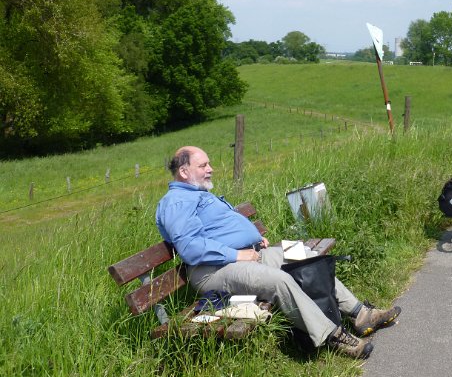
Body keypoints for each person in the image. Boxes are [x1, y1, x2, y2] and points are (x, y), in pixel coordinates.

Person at [155, 146, 400, 359]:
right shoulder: (177, 201)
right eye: (203, 165)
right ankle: (333, 336)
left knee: (303, 254)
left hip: (246, 255)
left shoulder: (198, 194)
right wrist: (237, 254)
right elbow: (190, 247)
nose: (211, 168)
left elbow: (215, 230)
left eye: (209, 163)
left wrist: (251, 239)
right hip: (214, 271)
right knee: (280, 281)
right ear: (184, 171)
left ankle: (360, 314)